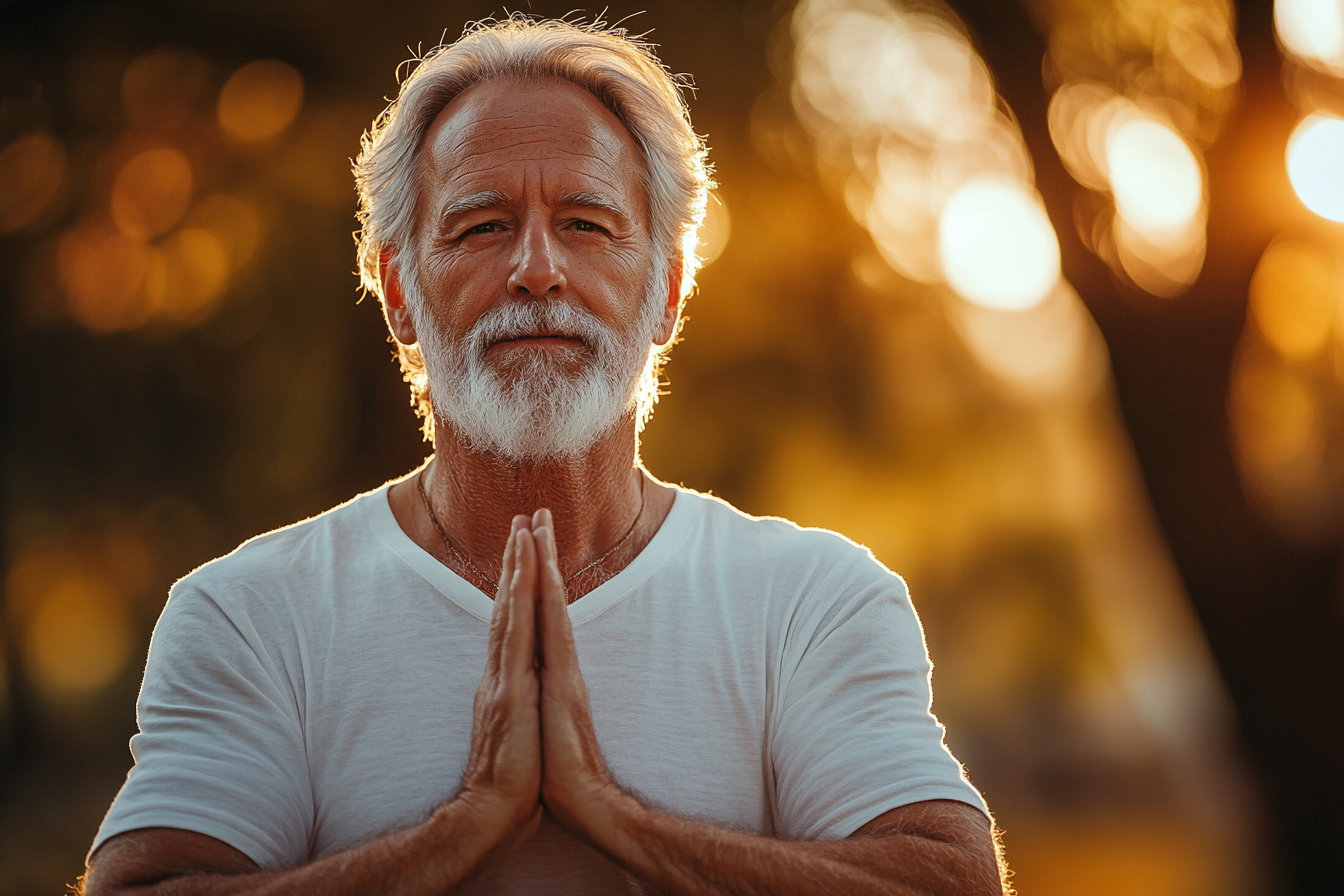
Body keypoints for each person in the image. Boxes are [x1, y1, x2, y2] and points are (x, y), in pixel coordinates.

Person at [83, 17, 1004, 896]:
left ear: (668, 290)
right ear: (399, 293)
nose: (536, 268)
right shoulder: (251, 616)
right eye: (482, 226)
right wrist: (462, 830)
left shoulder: (811, 605)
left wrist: (612, 815)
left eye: (586, 224)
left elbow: (951, 882)